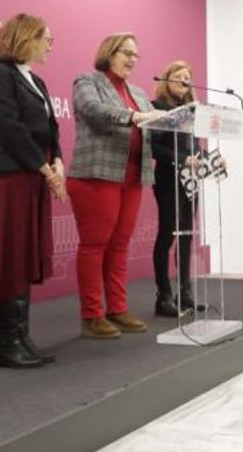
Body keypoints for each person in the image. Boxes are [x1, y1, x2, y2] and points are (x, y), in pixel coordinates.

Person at [0, 13, 65, 369]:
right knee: (9, 256)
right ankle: (6, 343)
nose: (51, 44)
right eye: (47, 37)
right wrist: (44, 168)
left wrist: (57, 159)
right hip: (13, 177)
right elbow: (8, 127)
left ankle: (22, 337)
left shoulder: (37, 80)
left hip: (35, 176)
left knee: (25, 254)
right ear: (27, 38)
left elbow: (50, 127)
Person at [66, 33, 161, 339]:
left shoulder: (139, 92)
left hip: (133, 177)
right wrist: (135, 116)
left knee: (120, 245)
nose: (132, 59)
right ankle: (91, 315)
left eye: (136, 55)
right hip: (96, 174)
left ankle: (117, 309)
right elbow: (95, 112)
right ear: (109, 51)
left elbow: (150, 125)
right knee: (95, 245)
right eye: (127, 52)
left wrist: (167, 121)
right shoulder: (87, 82)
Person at [151, 60, 199, 316]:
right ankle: (164, 295)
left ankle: (186, 293)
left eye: (187, 77)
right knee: (168, 234)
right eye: (179, 76)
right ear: (167, 80)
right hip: (169, 177)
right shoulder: (158, 109)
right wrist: (182, 160)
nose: (184, 80)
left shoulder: (191, 111)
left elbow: (195, 145)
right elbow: (154, 148)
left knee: (187, 235)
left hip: (191, 179)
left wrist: (207, 159)